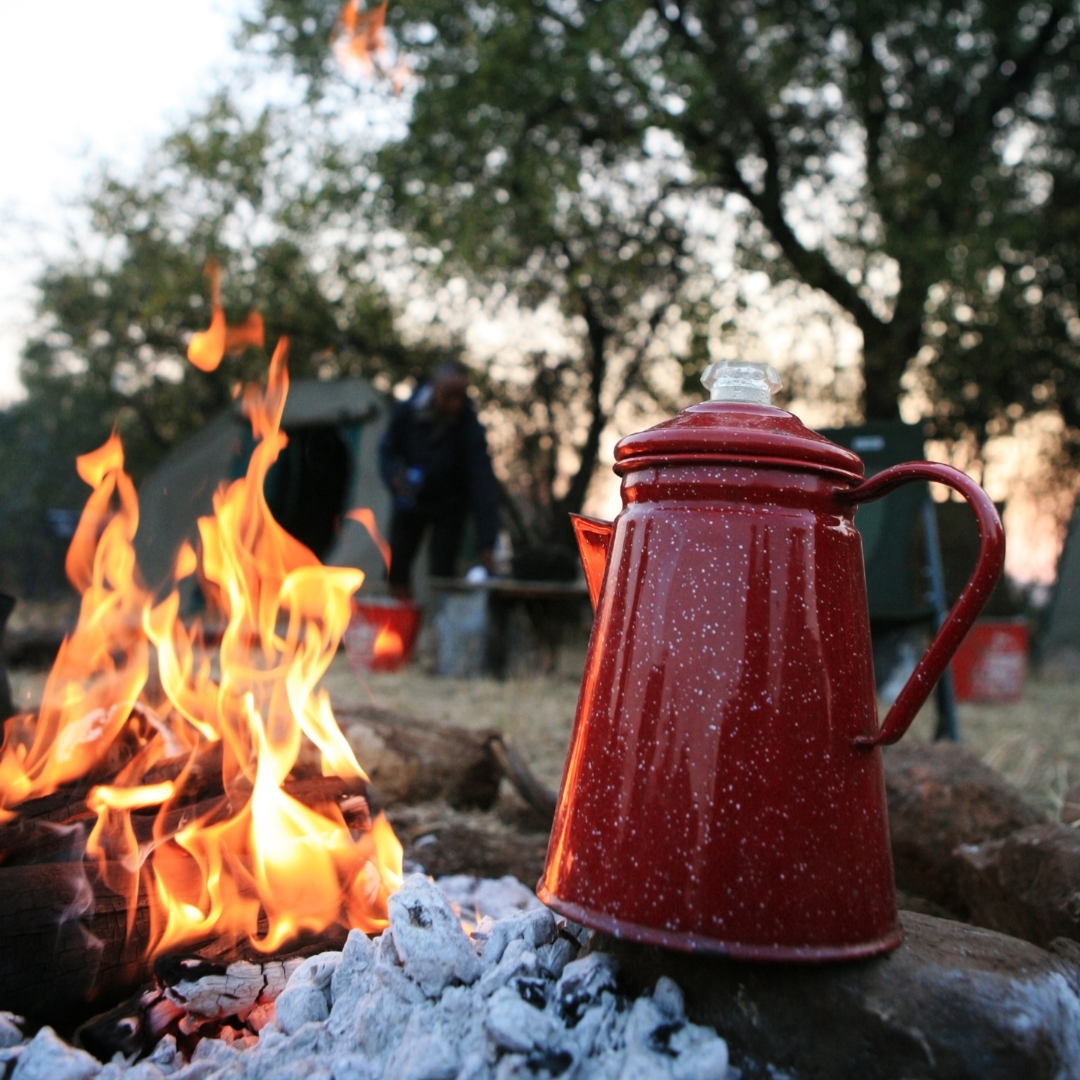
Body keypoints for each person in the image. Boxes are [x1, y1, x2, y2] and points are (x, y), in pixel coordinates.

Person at [378, 361, 500, 596]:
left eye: (460, 396)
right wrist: (394, 478)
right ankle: (398, 620)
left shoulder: (469, 426)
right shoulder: (407, 412)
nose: (455, 403)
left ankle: (439, 624)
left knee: (442, 572)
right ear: (434, 388)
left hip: (450, 504)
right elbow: (387, 450)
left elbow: (482, 481)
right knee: (397, 564)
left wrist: (487, 542)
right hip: (411, 498)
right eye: (448, 395)